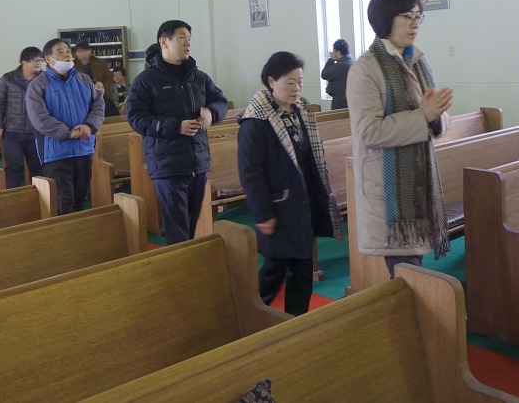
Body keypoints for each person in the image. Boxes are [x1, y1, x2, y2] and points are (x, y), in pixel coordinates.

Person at [345, 0, 453, 278]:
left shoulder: (418, 61)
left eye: (419, 16)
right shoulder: (365, 69)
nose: (415, 24)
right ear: (385, 18)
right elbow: (369, 132)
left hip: (419, 182)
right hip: (388, 192)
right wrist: (423, 117)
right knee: (408, 275)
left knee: (410, 274)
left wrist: (435, 119)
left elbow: (440, 119)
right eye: (407, 16)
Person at [237, 51, 343, 316]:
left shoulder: (301, 113)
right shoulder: (255, 122)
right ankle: (248, 319)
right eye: (290, 82)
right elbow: (251, 173)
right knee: (274, 270)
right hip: (277, 208)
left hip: (301, 206)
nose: (297, 88)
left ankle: (297, 323)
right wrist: (263, 214)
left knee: (302, 270)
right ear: (272, 82)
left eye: (300, 81)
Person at [126, 20, 228, 245]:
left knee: (191, 224)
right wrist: (175, 127)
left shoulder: (199, 77)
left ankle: (187, 260)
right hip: (167, 164)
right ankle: (179, 264)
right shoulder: (146, 80)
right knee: (177, 227)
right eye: (182, 38)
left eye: (189, 38)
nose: (187, 43)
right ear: (164, 42)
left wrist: (212, 114)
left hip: (197, 162)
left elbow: (220, 102)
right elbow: (136, 118)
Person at [26, 38, 105, 214]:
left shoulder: (84, 80)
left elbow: (98, 105)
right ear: (48, 59)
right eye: (60, 52)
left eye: (68, 51)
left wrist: (89, 126)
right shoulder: (38, 85)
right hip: (56, 152)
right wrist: (67, 133)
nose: (67, 54)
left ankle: (79, 231)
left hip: (83, 148)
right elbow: (39, 118)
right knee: (64, 203)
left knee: (80, 199)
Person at [0, 47, 46, 188]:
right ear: (24, 61)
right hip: (12, 131)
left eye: (40, 60)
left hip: (36, 131)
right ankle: (13, 197)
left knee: (37, 167)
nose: (39, 63)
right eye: (35, 60)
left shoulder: (45, 79)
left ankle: (38, 197)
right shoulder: (8, 78)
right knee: (13, 167)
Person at [320, 39, 354, 110]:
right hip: (351, 101)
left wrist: (331, 59)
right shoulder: (352, 62)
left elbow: (324, 74)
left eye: (333, 51)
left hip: (340, 103)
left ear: (338, 52)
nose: (332, 53)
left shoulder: (341, 66)